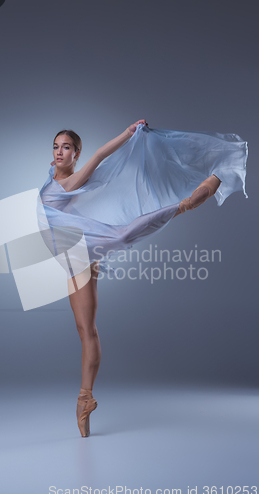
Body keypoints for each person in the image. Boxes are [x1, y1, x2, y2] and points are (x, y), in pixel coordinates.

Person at [37, 119, 248, 437]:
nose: (59, 152)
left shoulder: (73, 180)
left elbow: (99, 158)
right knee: (84, 329)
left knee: (121, 239)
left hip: (83, 250)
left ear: (76, 153)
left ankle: (189, 200)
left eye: (66, 147)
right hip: (71, 255)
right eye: (55, 146)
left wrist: (127, 133)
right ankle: (86, 400)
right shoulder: (53, 175)